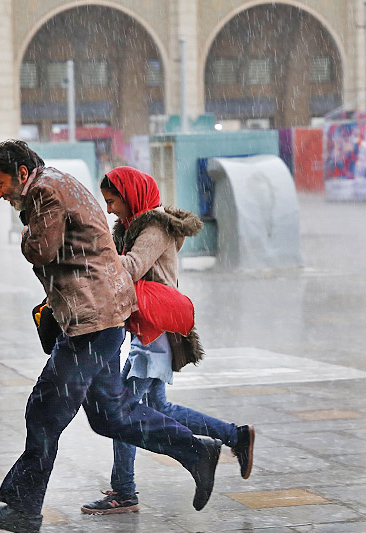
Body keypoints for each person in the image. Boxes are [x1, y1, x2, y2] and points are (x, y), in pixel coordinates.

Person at [0, 141, 223, 533]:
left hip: (90, 322)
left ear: (22, 173)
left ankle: (22, 509)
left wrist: (25, 232)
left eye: (0, 182)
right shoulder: (56, 182)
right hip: (99, 318)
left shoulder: (43, 190)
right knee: (112, 416)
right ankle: (197, 450)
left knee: (44, 412)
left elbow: (41, 248)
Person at [80, 166, 256, 516]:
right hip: (146, 329)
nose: (110, 209)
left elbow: (130, 268)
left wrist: (90, 255)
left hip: (155, 332)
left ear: (131, 195)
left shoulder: (154, 227)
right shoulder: (132, 227)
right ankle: (236, 436)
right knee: (159, 408)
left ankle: (124, 491)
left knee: (121, 414)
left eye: (113, 201)